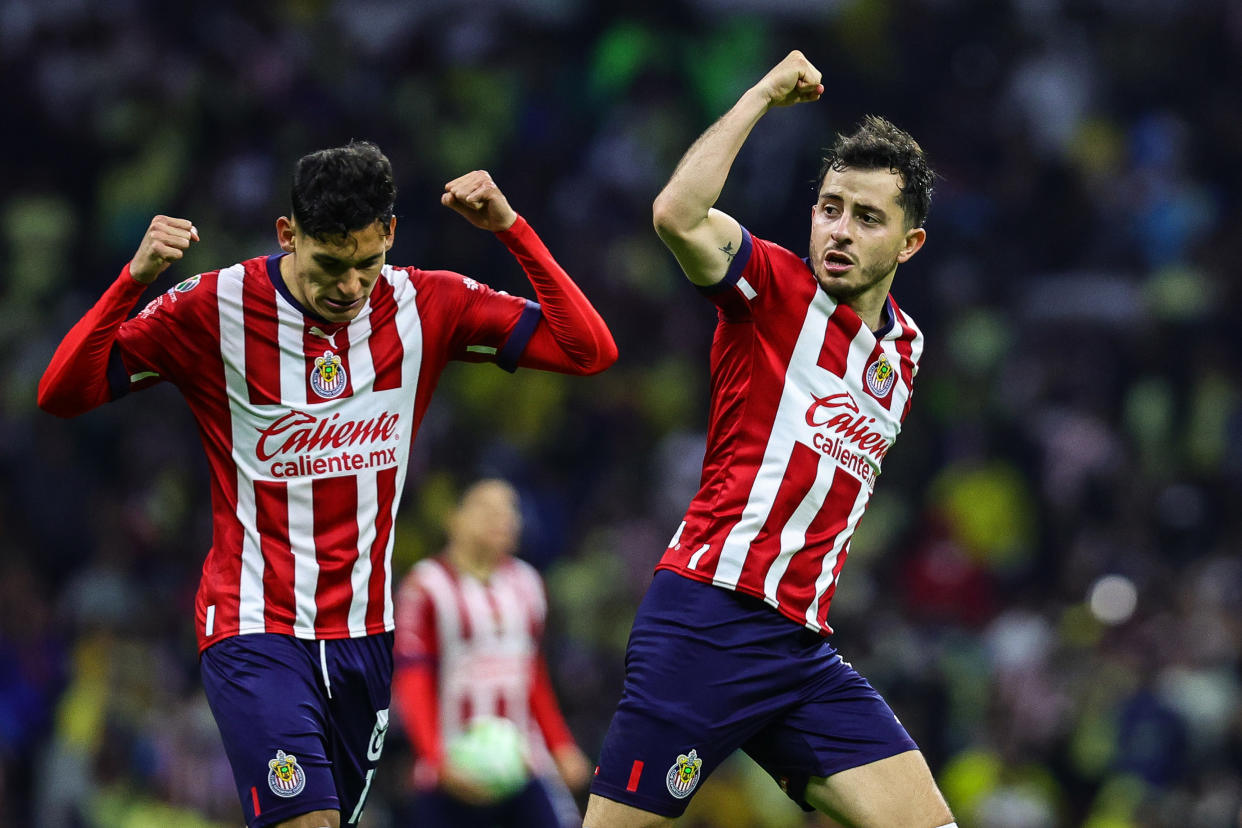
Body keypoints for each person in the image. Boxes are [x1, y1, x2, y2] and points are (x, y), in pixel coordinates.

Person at [37, 141, 617, 828]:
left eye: (367, 264)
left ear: (390, 236)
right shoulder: (215, 306)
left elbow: (590, 349)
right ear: (288, 235)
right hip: (255, 626)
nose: (348, 288)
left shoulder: (426, 303)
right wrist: (132, 280)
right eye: (330, 267)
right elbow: (62, 393)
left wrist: (511, 230)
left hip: (365, 636)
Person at [584, 51, 957, 828]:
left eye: (867, 216)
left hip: (800, 652)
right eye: (829, 208)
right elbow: (676, 213)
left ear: (910, 244)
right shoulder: (770, 287)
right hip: (705, 623)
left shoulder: (908, 350)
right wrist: (760, 95)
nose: (840, 231)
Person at [392, 477, 593, 828]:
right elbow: (413, 678)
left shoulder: (528, 583)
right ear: (454, 518)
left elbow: (529, 673)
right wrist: (435, 758)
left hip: (524, 763)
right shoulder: (424, 586)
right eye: (487, 508)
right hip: (451, 768)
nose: (503, 518)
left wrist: (560, 743)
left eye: (510, 509)